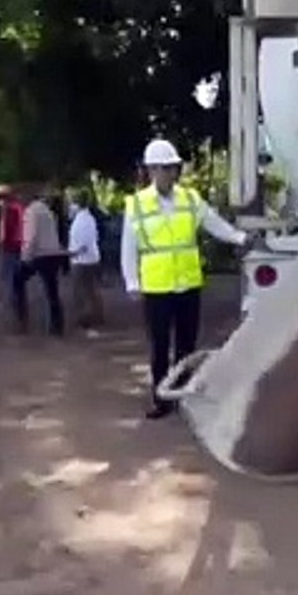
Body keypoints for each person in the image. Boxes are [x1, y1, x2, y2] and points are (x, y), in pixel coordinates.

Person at [121, 138, 250, 419]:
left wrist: (239, 237)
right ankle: (161, 398)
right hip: (157, 287)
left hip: (188, 284)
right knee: (159, 346)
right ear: (151, 171)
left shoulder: (189, 199)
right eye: (163, 168)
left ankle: (183, 396)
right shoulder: (137, 205)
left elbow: (213, 222)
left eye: (172, 168)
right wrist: (132, 282)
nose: (169, 174)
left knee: (187, 345)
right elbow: (128, 247)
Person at [14, 184, 66, 336]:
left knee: (17, 280)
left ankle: (21, 318)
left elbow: (31, 236)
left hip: (40, 254)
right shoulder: (46, 210)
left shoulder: (31, 212)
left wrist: (25, 257)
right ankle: (57, 326)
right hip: (52, 253)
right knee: (52, 290)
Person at [67, 188, 105, 329]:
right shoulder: (88, 218)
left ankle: (86, 318)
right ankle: (96, 315)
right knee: (92, 290)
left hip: (81, 261)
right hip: (91, 258)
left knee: (81, 292)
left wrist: (72, 253)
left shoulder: (82, 220)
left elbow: (83, 243)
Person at [0, 184, 25, 300]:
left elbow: (8, 231)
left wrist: (2, 245)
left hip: (10, 247)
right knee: (17, 278)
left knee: (10, 278)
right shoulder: (18, 208)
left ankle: (16, 306)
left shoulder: (10, 210)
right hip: (18, 245)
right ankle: (20, 307)